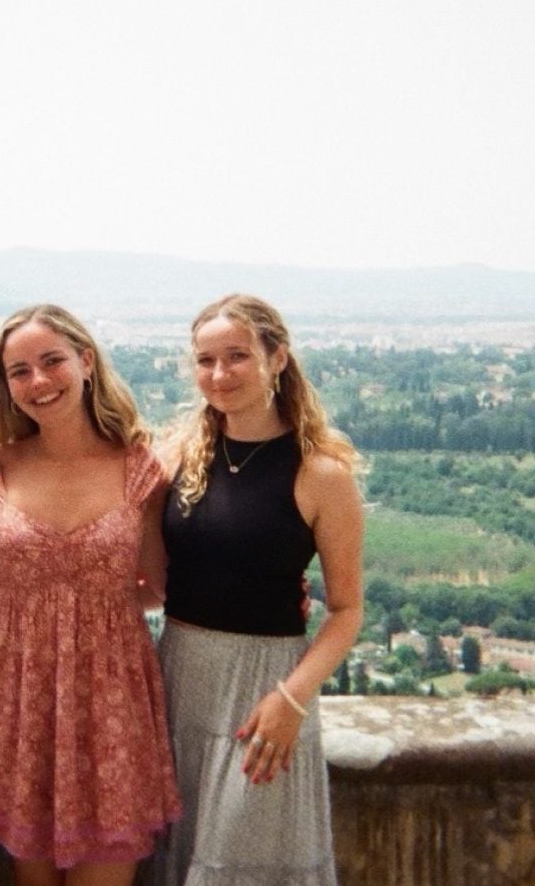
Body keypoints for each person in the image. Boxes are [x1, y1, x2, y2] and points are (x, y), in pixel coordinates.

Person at [0, 304, 179, 886]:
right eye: (19, 371)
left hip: (113, 702)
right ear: (6, 386)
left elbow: (159, 587)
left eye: (52, 361)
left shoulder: (139, 470)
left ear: (87, 362)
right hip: (22, 700)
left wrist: (268, 588)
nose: (38, 381)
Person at [153, 294, 364, 886]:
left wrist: (291, 700)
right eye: (205, 360)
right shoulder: (178, 456)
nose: (219, 374)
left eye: (237, 356)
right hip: (176, 676)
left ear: (277, 358)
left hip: (264, 692)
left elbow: (346, 610)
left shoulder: (320, 472)